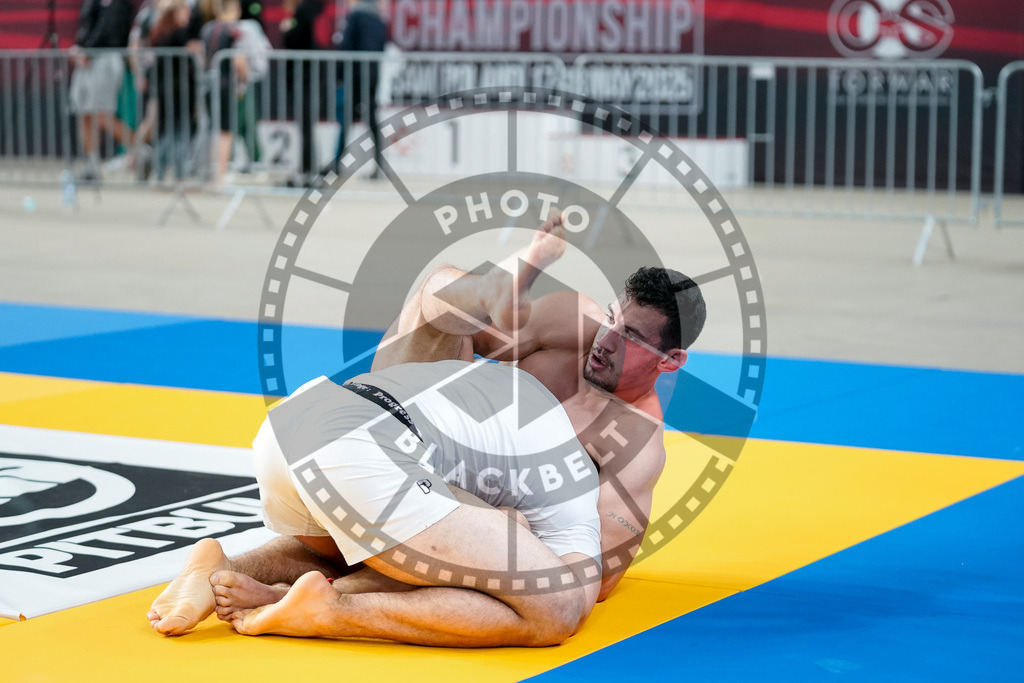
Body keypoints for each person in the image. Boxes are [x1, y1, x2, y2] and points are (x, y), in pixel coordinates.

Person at [149, 214, 706, 644]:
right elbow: (451, 330)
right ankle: (326, 602)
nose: (607, 338)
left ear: (670, 360)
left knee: (422, 539)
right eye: (611, 316)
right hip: (399, 443)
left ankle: (225, 570)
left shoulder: (636, 448)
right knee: (437, 297)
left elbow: (599, 581)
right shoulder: (570, 324)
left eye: (630, 335)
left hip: (348, 441)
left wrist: (507, 522)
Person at [151, 359, 602, 646]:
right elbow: (580, 597)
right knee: (552, 604)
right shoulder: (572, 482)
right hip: (361, 451)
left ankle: (221, 570)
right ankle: (332, 611)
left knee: (398, 548)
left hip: (292, 423)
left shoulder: (505, 384)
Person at [69, 0, 136, 181]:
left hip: (105, 58)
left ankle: (140, 150)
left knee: (101, 113)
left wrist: (88, 50)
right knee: (84, 113)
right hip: (87, 59)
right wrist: (80, 48)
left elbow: (109, 26)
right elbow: (87, 25)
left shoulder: (119, 4)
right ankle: (92, 164)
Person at [333, 0, 386, 178]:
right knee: (371, 118)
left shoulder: (356, 16)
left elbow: (346, 45)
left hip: (356, 74)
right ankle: (379, 165)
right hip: (372, 75)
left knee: (347, 117)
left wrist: (338, 75)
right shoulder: (379, 20)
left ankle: (338, 162)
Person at [200, 0, 249, 185]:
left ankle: (213, 173)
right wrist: (245, 78)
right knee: (225, 132)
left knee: (214, 129)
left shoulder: (207, 29)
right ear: (236, 9)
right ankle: (220, 175)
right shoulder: (234, 31)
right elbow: (239, 61)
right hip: (225, 85)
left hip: (208, 85)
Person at [280, 0, 324, 187]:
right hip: (307, 77)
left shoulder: (304, 11)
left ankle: (310, 173)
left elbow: (298, 40)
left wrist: (287, 30)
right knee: (306, 127)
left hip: (304, 77)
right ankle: (308, 171)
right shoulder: (310, 9)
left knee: (306, 127)